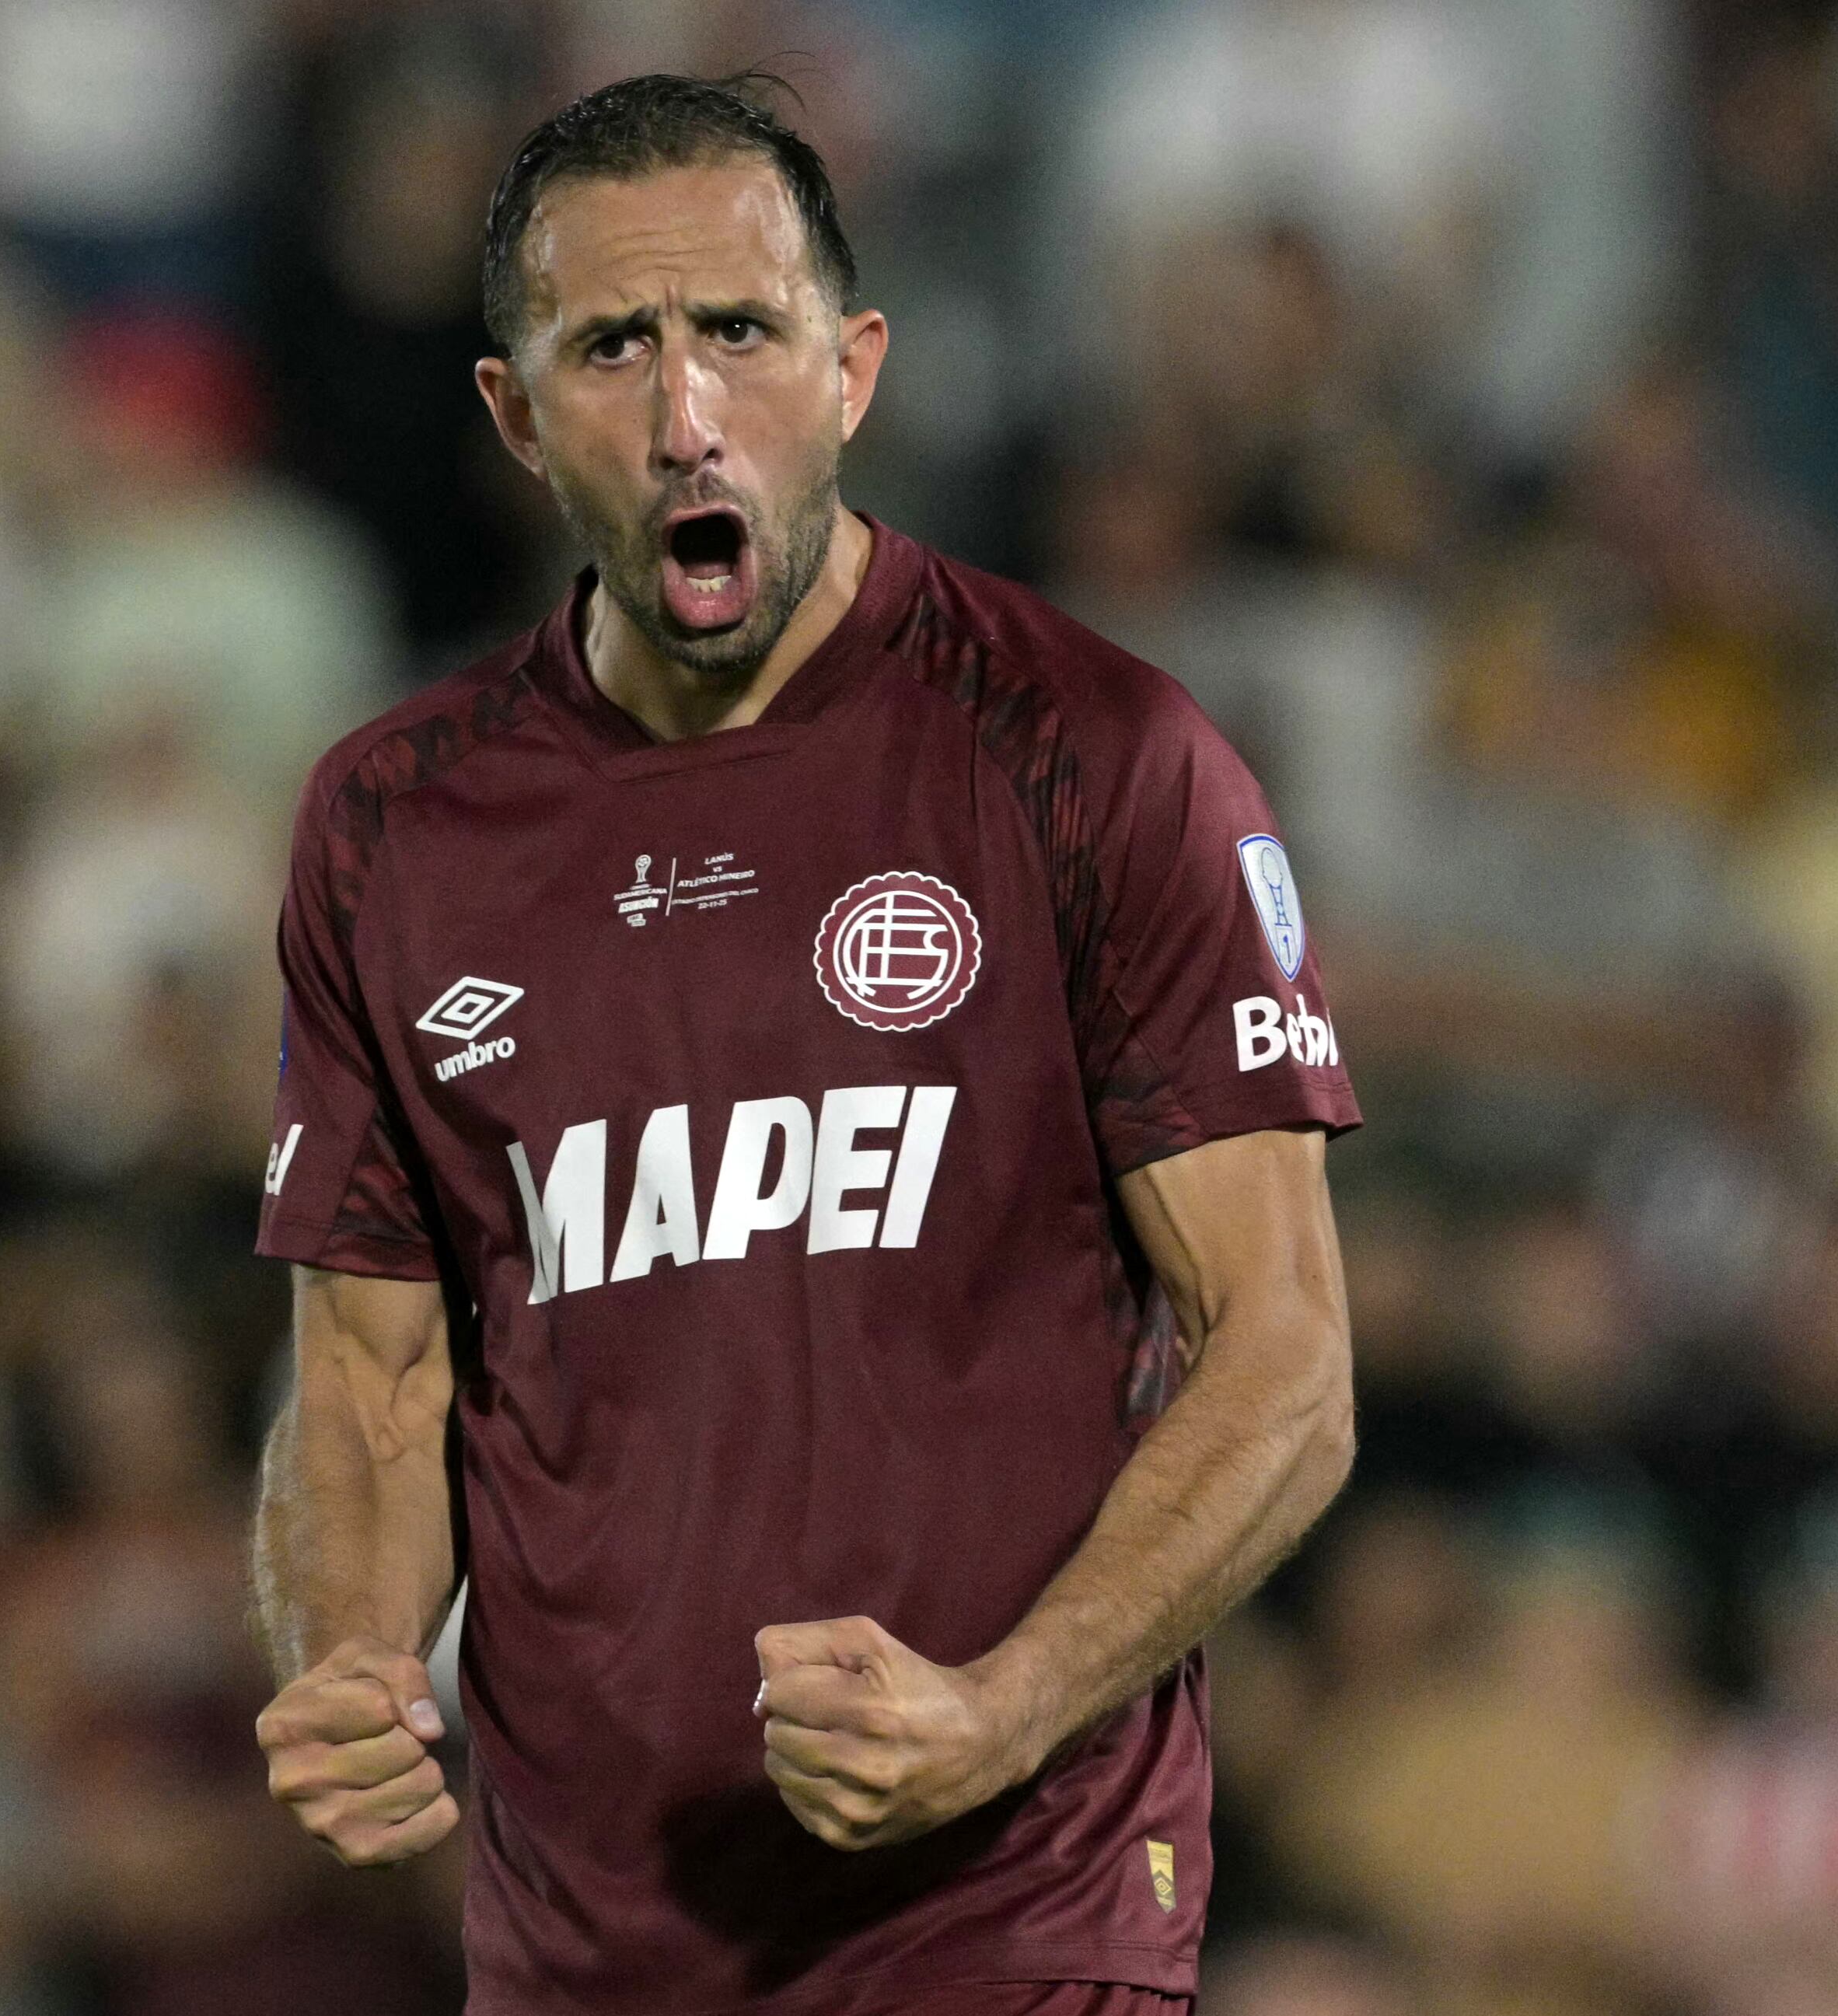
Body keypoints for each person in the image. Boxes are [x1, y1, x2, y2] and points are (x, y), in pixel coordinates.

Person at [247, 74, 1360, 2014]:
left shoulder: (1092, 758)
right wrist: (348, 1654)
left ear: (850, 370)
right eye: (612, 348)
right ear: (513, 416)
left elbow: (1285, 1360)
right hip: (579, 1953)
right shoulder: (393, 829)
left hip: (1009, 1915)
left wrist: (1000, 1707)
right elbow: (366, 1377)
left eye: (738, 334)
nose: (687, 414)